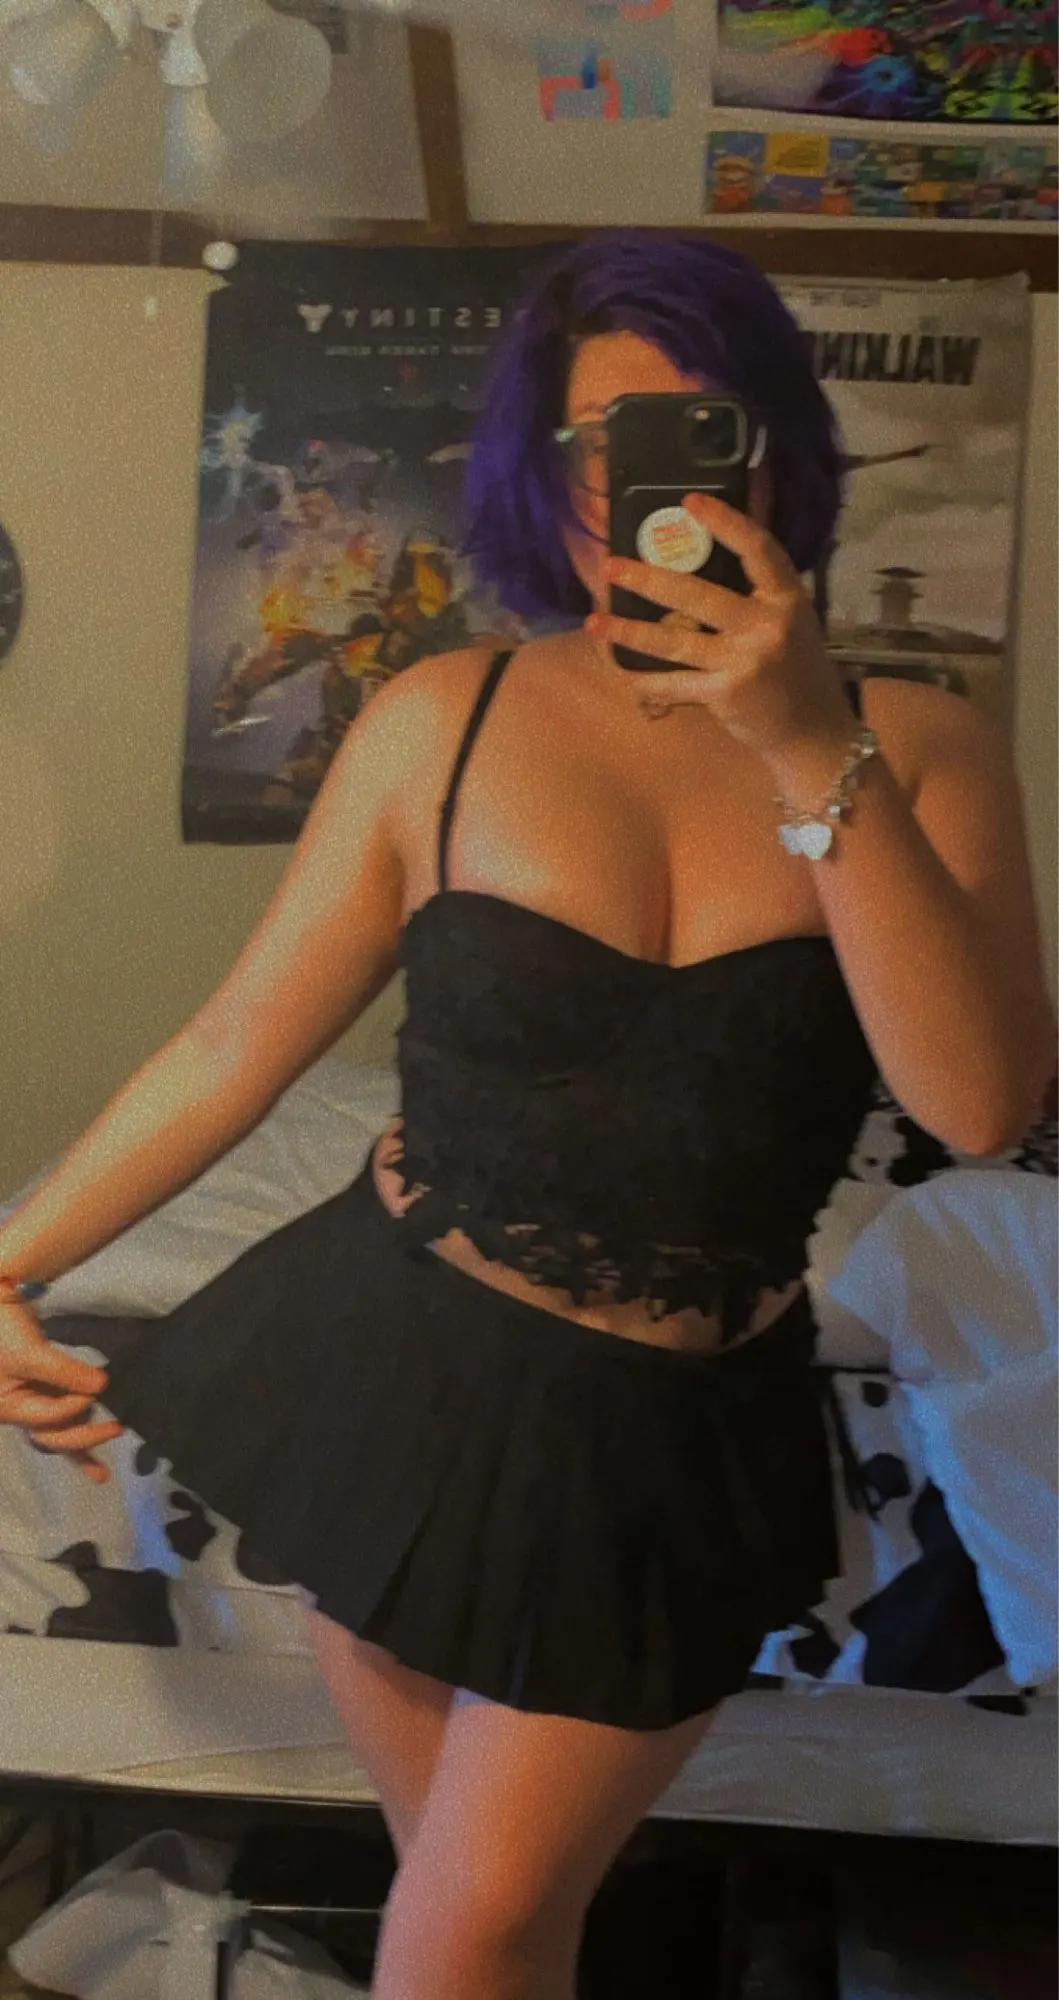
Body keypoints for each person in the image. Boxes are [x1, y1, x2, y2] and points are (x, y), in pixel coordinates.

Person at [0, 232, 1054, 2000]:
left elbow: (974, 1099)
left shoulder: (919, 743)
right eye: (593, 441)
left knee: (471, 1927)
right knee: (483, 1918)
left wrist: (807, 746)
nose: (635, 487)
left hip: (663, 1434)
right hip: (386, 1367)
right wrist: (6, 1259)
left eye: (696, 430)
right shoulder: (444, 717)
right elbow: (238, 1039)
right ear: (530, 464)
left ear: (772, 451)